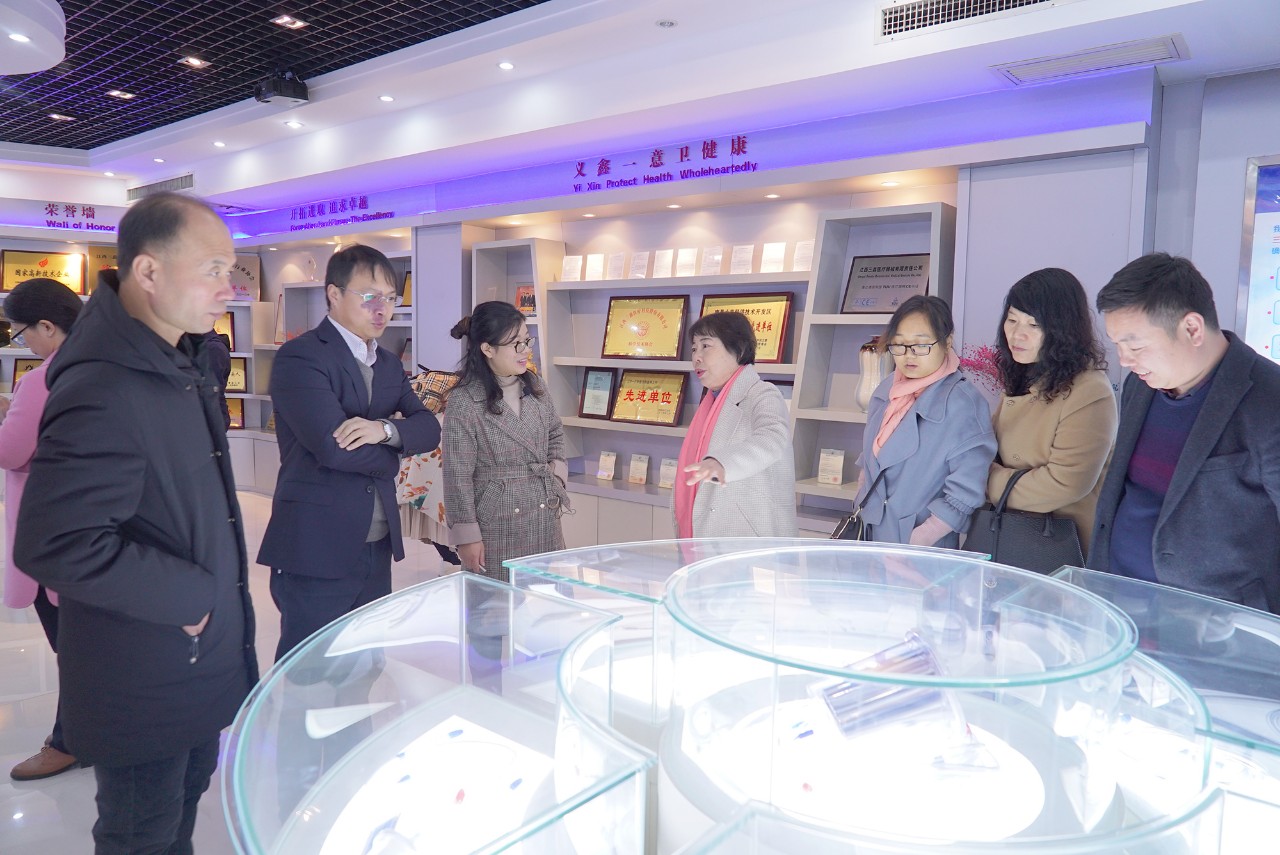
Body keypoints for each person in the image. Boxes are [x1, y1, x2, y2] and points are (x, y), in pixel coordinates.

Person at [13, 192, 258, 853]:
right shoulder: (105, 381)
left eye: (230, 270)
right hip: (143, 675)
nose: (228, 288)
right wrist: (191, 597)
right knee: (141, 834)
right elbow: (55, 542)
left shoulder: (175, 361)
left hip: (191, 663)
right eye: (213, 269)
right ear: (148, 271)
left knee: (179, 814)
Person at [258, 244, 440, 661]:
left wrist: (382, 430)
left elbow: (429, 429)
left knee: (366, 663)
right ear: (334, 294)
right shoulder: (301, 357)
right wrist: (395, 454)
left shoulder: (388, 364)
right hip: (315, 543)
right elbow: (334, 450)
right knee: (311, 670)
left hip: (376, 542)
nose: (382, 309)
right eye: (369, 296)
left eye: (390, 298)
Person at [1090, 252, 1280, 612]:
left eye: (1135, 345)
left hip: (1218, 624)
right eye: (1118, 345)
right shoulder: (1139, 386)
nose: (1124, 361)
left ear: (1192, 328)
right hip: (1120, 603)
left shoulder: (1269, 400)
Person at [1, 278, 84, 781]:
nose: (23, 342)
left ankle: (72, 740)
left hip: (52, 538)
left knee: (73, 650)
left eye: (21, 331)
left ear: (48, 326)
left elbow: (11, 451)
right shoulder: (106, 366)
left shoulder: (42, 381)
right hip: (101, 532)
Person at [986, 268, 1117, 555]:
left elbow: (1065, 483)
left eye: (1033, 325)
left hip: (1057, 547)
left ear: (1062, 330)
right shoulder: (1024, 376)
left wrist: (985, 479)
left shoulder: (1089, 390)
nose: (1017, 334)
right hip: (1011, 537)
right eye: (1011, 320)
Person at [853, 295, 996, 546]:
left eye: (921, 345)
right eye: (899, 344)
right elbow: (870, 459)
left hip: (919, 547)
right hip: (871, 533)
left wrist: (920, 539)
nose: (909, 356)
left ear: (947, 341)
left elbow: (965, 491)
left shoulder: (963, 403)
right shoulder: (888, 388)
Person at [443, 301, 569, 583]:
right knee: (494, 602)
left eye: (527, 340)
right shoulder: (465, 400)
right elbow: (457, 476)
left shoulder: (535, 385)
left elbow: (556, 434)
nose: (526, 350)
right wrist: (467, 536)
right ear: (488, 349)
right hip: (495, 520)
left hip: (543, 510)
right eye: (516, 344)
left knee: (546, 598)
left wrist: (556, 476)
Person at [675, 311, 796, 537]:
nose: (697, 357)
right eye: (694, 348)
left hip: (750, 537)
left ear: (738, 350)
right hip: (710, 535)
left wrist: (722, 463)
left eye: (706, 346)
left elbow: (772, 438)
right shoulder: (711, 401)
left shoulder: (762, 393)